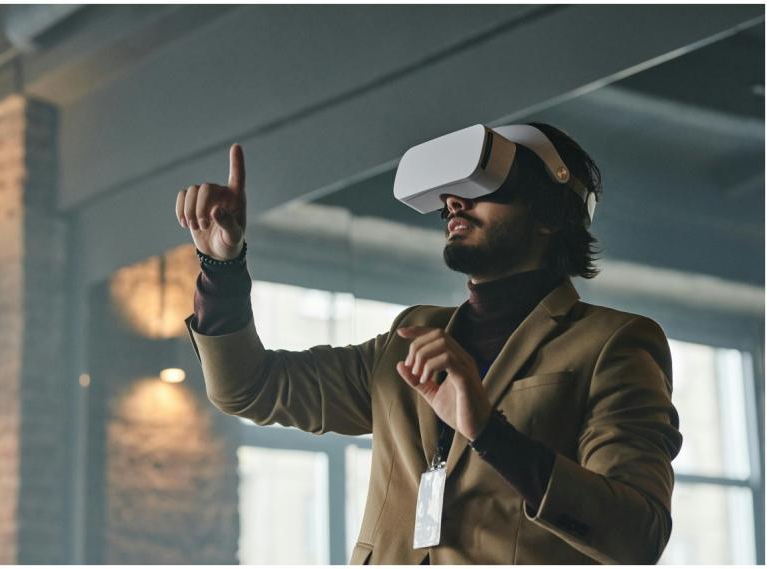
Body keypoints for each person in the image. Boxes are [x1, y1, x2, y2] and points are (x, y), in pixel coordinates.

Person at [175, 123, 683, 565]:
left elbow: (638, 537)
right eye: (450, 191)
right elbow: (247, 388)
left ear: (549, 214)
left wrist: (488, 431)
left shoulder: (612, 343)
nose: (453, 203)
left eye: (486, 185)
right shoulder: (409, 338)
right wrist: (222, 267)